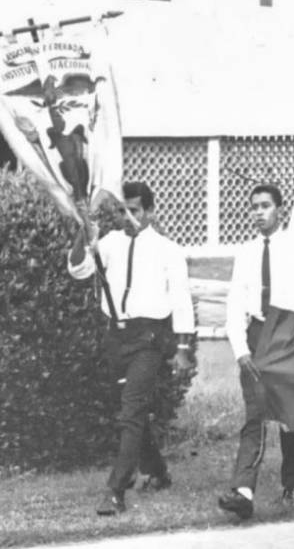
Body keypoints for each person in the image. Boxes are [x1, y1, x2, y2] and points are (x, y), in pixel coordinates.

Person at [68, 182, 195, 516]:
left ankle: (115, 491)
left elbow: (181, 300)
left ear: (151, 211)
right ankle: (159, 472)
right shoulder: (109, 242)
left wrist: (183, 347)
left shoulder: (168, 250)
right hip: (117, 338)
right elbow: (79, 269)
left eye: (135, 210)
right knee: (131, 412)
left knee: (132, 409)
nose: (128, 217)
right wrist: (85, 233)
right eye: (123, 210)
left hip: (150, 339)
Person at [217, 184, 294, 520]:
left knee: (291, 416)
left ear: (280, 210)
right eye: (254, 206)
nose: (258, 212)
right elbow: (236, 303)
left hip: (288, 333)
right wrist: (241, 350)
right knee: (255, 412)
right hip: (257, 333)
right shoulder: (246, 252)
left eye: (266, 206)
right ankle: (243, 489)